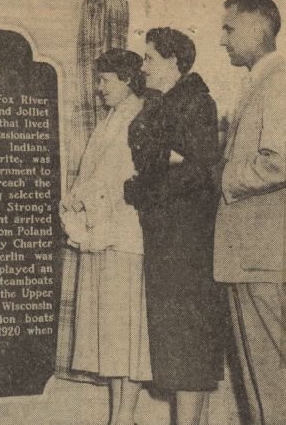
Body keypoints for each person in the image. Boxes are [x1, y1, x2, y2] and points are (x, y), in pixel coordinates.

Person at [124, 27, 228, 425]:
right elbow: (159, 159)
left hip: (187, 239)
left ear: (172, 61)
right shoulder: (159, 103)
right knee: (175, 341)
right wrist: (160, 163)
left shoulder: (197, 102)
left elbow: (200, 169)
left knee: (189, 340)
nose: (143, 66)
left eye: (149, 58)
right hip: (165, 236)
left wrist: (146, 184)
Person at [61, 49, 152, 425]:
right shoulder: (110, 120)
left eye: (105, 80)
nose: (99, 89)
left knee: (127, 331)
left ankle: (125, 415)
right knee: (111, 331)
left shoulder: (140, 116)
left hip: (126, 236)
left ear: (128, 79)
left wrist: (95, 201)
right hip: (104, 234)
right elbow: (92, 176)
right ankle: (119, 417)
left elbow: (129, 179)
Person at [215, 0, 286, 424]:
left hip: (261, 256)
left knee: (268, 381)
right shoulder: (262, 80)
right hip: (254, 255)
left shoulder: (277, 81)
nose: (222, 40)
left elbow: (280, 159)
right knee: (265, 381)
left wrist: (221, 178)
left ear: (258, 28)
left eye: (229, 29)